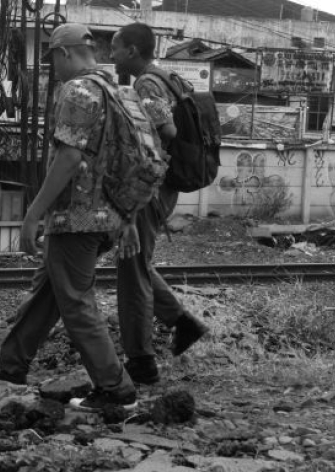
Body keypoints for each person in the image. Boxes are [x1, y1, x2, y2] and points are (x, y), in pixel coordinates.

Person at [0, 23, 146, 412]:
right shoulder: (118, 91)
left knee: (75, 301)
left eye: (52, 60)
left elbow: (69, 157)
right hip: (107, 214)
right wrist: (128, 217)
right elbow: (132, 158)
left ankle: (115, 389)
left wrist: (33, 214)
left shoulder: (77, 91)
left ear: (64, 53)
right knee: (50, 290)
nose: (52, 68)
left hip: (77, 217)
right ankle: (11, 366)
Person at [110, 22, 209, 385]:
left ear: (132, 51)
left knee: (132, 269)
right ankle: (182, 323)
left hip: (152, 187)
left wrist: (142, 162)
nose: (111, 55)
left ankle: (141, 360)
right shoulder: (167, 78)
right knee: (136, 265)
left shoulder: (147, 84)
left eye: (115, 48)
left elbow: (166, 130)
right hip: (163, 185)